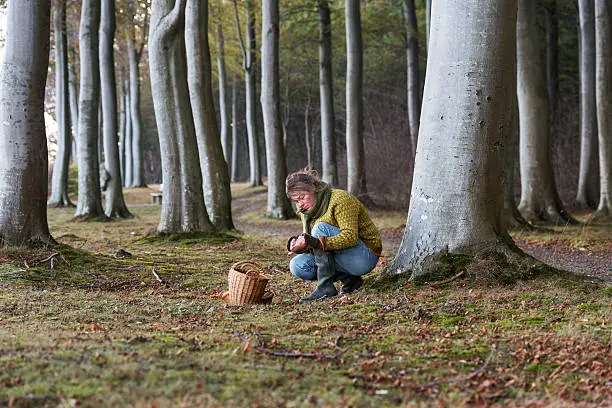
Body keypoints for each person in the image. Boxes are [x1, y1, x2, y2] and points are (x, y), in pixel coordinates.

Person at [286, 170, 382, 302]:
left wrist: (317, 242)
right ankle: (350, 280)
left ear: (313, 187)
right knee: (297, 265)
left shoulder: (339, 199)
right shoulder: (306, 212)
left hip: (365, 255)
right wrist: (301, 246)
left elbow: (350, 237)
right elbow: (317, 248)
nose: (300, 204)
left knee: (320, 227)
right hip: (342, 256)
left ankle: (325, 288)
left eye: (302, 197)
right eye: (296, 201)